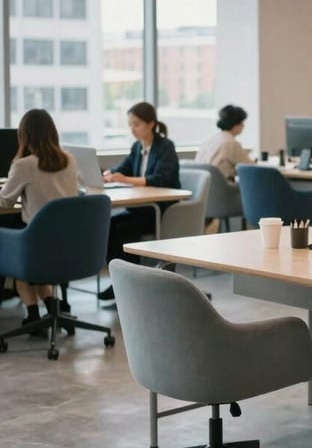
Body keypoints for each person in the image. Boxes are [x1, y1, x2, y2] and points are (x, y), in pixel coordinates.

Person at [0, 109, 79, 335]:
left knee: (22, 265)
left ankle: (33, 317)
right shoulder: (69, 160)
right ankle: (54, 311)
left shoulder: (24, 165)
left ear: (24, 135)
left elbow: (5, 202)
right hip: (68, 244)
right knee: (41, 264)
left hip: (36, 244)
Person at [98, 102, 180, 301]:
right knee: (108, 225)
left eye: (137, 124)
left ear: (151, 124)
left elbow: (160, 179)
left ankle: (130, 283)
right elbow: (123, 168)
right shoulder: (137, 147)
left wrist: (124, 179)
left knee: (123, 231)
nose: (132, 129)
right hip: (141, 208)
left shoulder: (165, 147)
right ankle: (120, 281)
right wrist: (109, 174)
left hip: (160, 210)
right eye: (130, 124)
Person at [195, 104, 254, 182]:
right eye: (242, 123)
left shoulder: (209, 140)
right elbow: (251, 167)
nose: (244, 126)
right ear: (236, 124)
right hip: (223, 188)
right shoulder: (230, 143)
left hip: (204, 187)